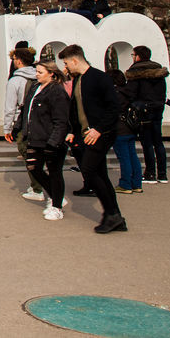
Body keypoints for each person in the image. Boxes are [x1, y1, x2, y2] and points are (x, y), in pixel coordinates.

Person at [62, 45, 126, 233]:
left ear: (75, 60)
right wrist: (73, 129)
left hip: (100, 134)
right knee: (100, 173)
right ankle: (114, 215)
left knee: (89, 170)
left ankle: (112, 214)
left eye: (66, 63)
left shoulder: (99, 77)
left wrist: (98, 129)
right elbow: (77, 109)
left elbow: (114, 107)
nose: (66, 67)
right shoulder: (79, 80)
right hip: (87, 133)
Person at [20, 60, 71, 220]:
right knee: (34, 167)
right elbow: (26, 108)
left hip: (50, 139)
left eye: (40, 72)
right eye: (37, 71)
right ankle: (56, 197)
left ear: (51, 74)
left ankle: (56, 206)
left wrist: (54, 141)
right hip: (35, 136)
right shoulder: (35, 87)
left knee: (55, 171)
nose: (37, 75)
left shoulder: (57, 91)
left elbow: (61, 120)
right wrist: (18, 127)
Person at [3, 44, 46, 201]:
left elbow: (10, 107)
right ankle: (41, 186)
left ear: (19, 61)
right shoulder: (40, 76)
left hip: (24, 122)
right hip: (42, 121)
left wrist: (7, 128)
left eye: (14, 59)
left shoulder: (16, 80)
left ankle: (38, 188)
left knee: (28, 154)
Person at [124, 45, 169, 184]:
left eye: (133, 55)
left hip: (143, 109)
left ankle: (150, 173)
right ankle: (162, 174)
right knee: (158, 142)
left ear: (138, 56)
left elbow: (131, 93)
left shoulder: (135, 71)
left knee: (147, 143)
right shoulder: (158, 71)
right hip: (158, 107)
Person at [110, 69, 142, 194]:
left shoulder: (114, 93)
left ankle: (125, 184)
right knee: (132, 156)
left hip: (119, 128)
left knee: (124, 158)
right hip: (130, 127)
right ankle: (136, 183)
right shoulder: (128, 91)